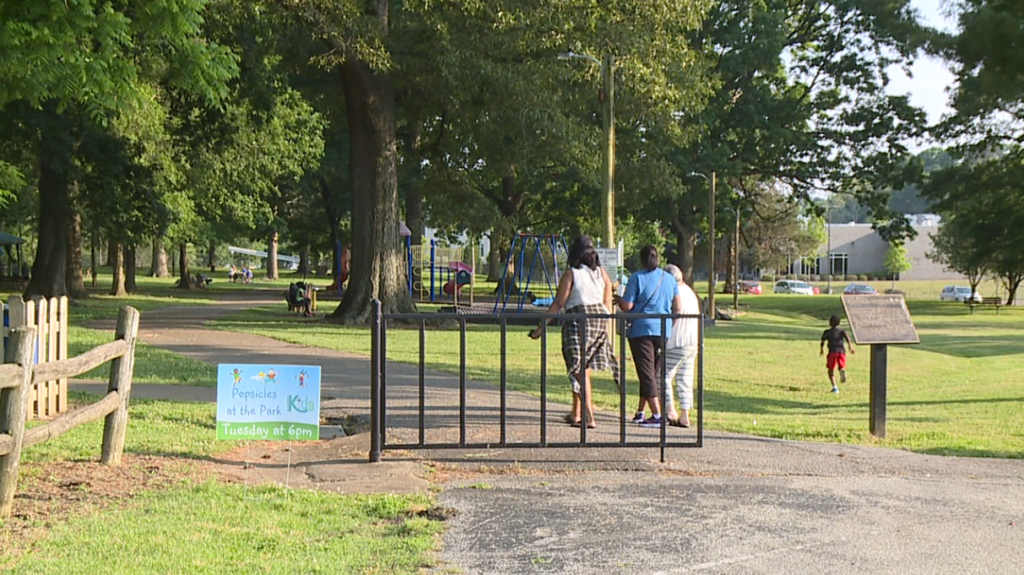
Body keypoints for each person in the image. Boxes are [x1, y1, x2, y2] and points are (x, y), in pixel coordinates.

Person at [529, 235, 618, 429]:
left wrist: (539, 329)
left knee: (577, 369)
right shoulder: (603, 274)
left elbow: (558, 303)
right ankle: (576, 412)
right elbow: (607, 304)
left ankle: (589, 417)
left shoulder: (571, 274)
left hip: (578, 321)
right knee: (583, 369)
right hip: (599, 322)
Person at [616, 245, 681, 428]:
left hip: (641, 330)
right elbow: (677, 307)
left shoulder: (637, 278)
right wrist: (669, 325)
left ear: (641, 260)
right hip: (663, 330)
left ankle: (657, 414)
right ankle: (640, 411)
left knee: (646, 374)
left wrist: (618, 300)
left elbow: (628, 306)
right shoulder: (669, 279)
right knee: (651, 372)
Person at [660, 265, 701, 427]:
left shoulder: (675, 292)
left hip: (677, 340)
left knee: (662, 376)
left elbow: (673, 314)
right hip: (692, 340)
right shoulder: (690, 291)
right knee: (685, 378)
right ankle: (685, 415)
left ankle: (670, 411)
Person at [820, 314, 855, 393]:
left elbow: (822, 341)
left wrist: (821, 349)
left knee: (830, 370)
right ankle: (842, 369)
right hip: (841, 352)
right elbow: (848, 338)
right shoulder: (841, 331)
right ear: (839, 323)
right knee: (841, 366)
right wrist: (850, 347)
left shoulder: (827, 332)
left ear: (830, 323)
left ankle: (834, 387)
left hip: (832, 352)